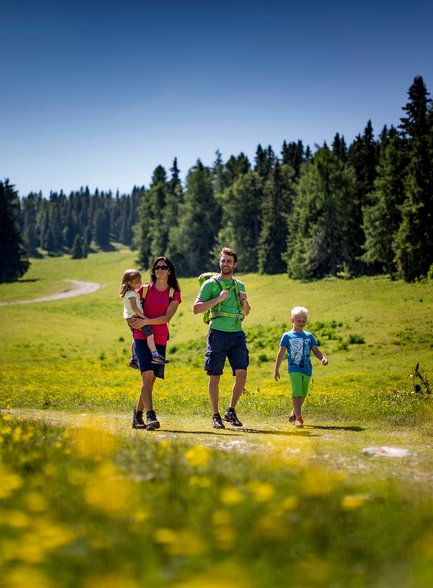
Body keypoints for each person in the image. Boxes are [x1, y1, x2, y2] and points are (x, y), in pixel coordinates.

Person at [193, 247, 250, 429]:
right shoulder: (210, 284)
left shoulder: (239, 285)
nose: (225, 264)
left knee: (242, 372)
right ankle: (215, 415)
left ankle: (230, 411)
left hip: (237, 334)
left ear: (235, 264)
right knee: (215, 376)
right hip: (217, 333)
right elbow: (196, 308)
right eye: (223, 260)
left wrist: (244, 301)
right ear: (220, 262)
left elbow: (246, 312)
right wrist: (218, 299)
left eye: (229, 261)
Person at [127, 257, 181, 430]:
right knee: (147, 376)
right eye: (157, 267)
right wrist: (135, 323)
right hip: (141, 337)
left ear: (169, 271)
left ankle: (137, 417)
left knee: (151, 381)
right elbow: (128, 305)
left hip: (159, 339)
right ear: (153, 270)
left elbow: (167, 318)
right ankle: (151, 415)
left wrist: (146, 322)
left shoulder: (174, 293)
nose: (160, 269)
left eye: (164, 267)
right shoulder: (142, 290)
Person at [273, 306, 328, 428]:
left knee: (302, 395)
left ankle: (293, 414)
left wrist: (323, 358)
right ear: (292, 320)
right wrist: (276, 370)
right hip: (294, 369)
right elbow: (281, 353)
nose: (301, 323)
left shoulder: (309, 336)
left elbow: (316, 350)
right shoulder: (287, 336)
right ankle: (298, 418)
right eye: (299, 321)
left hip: (307, 369)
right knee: (297, 392)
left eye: (304, 321)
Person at [120, 269, 169, 366]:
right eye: (137, 282)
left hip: (130, 318)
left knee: (135, 337)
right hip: (136, 317)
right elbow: (134, 308)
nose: (140, 283)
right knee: (149, 333)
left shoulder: (130, 293)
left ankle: (133, 357)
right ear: (130, 283)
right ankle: (155, 355)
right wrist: (144, 318)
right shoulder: (132, 294)